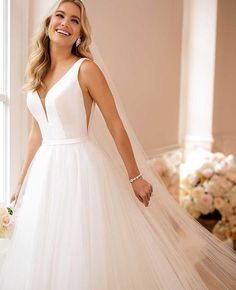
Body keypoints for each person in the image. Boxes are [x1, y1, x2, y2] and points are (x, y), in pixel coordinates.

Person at [0, 1, 235, 289]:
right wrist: (21, 181)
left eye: (75, 20)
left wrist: (135, 176)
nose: (65, 23)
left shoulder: (86, 69)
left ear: (80, 34)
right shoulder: (37, 72)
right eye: (60, 16)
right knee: (44, 247)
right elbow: (37, 131)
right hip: (44, 174)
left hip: (79, 167)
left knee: (80, 247)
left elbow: (115, 124)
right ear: (49, 23)